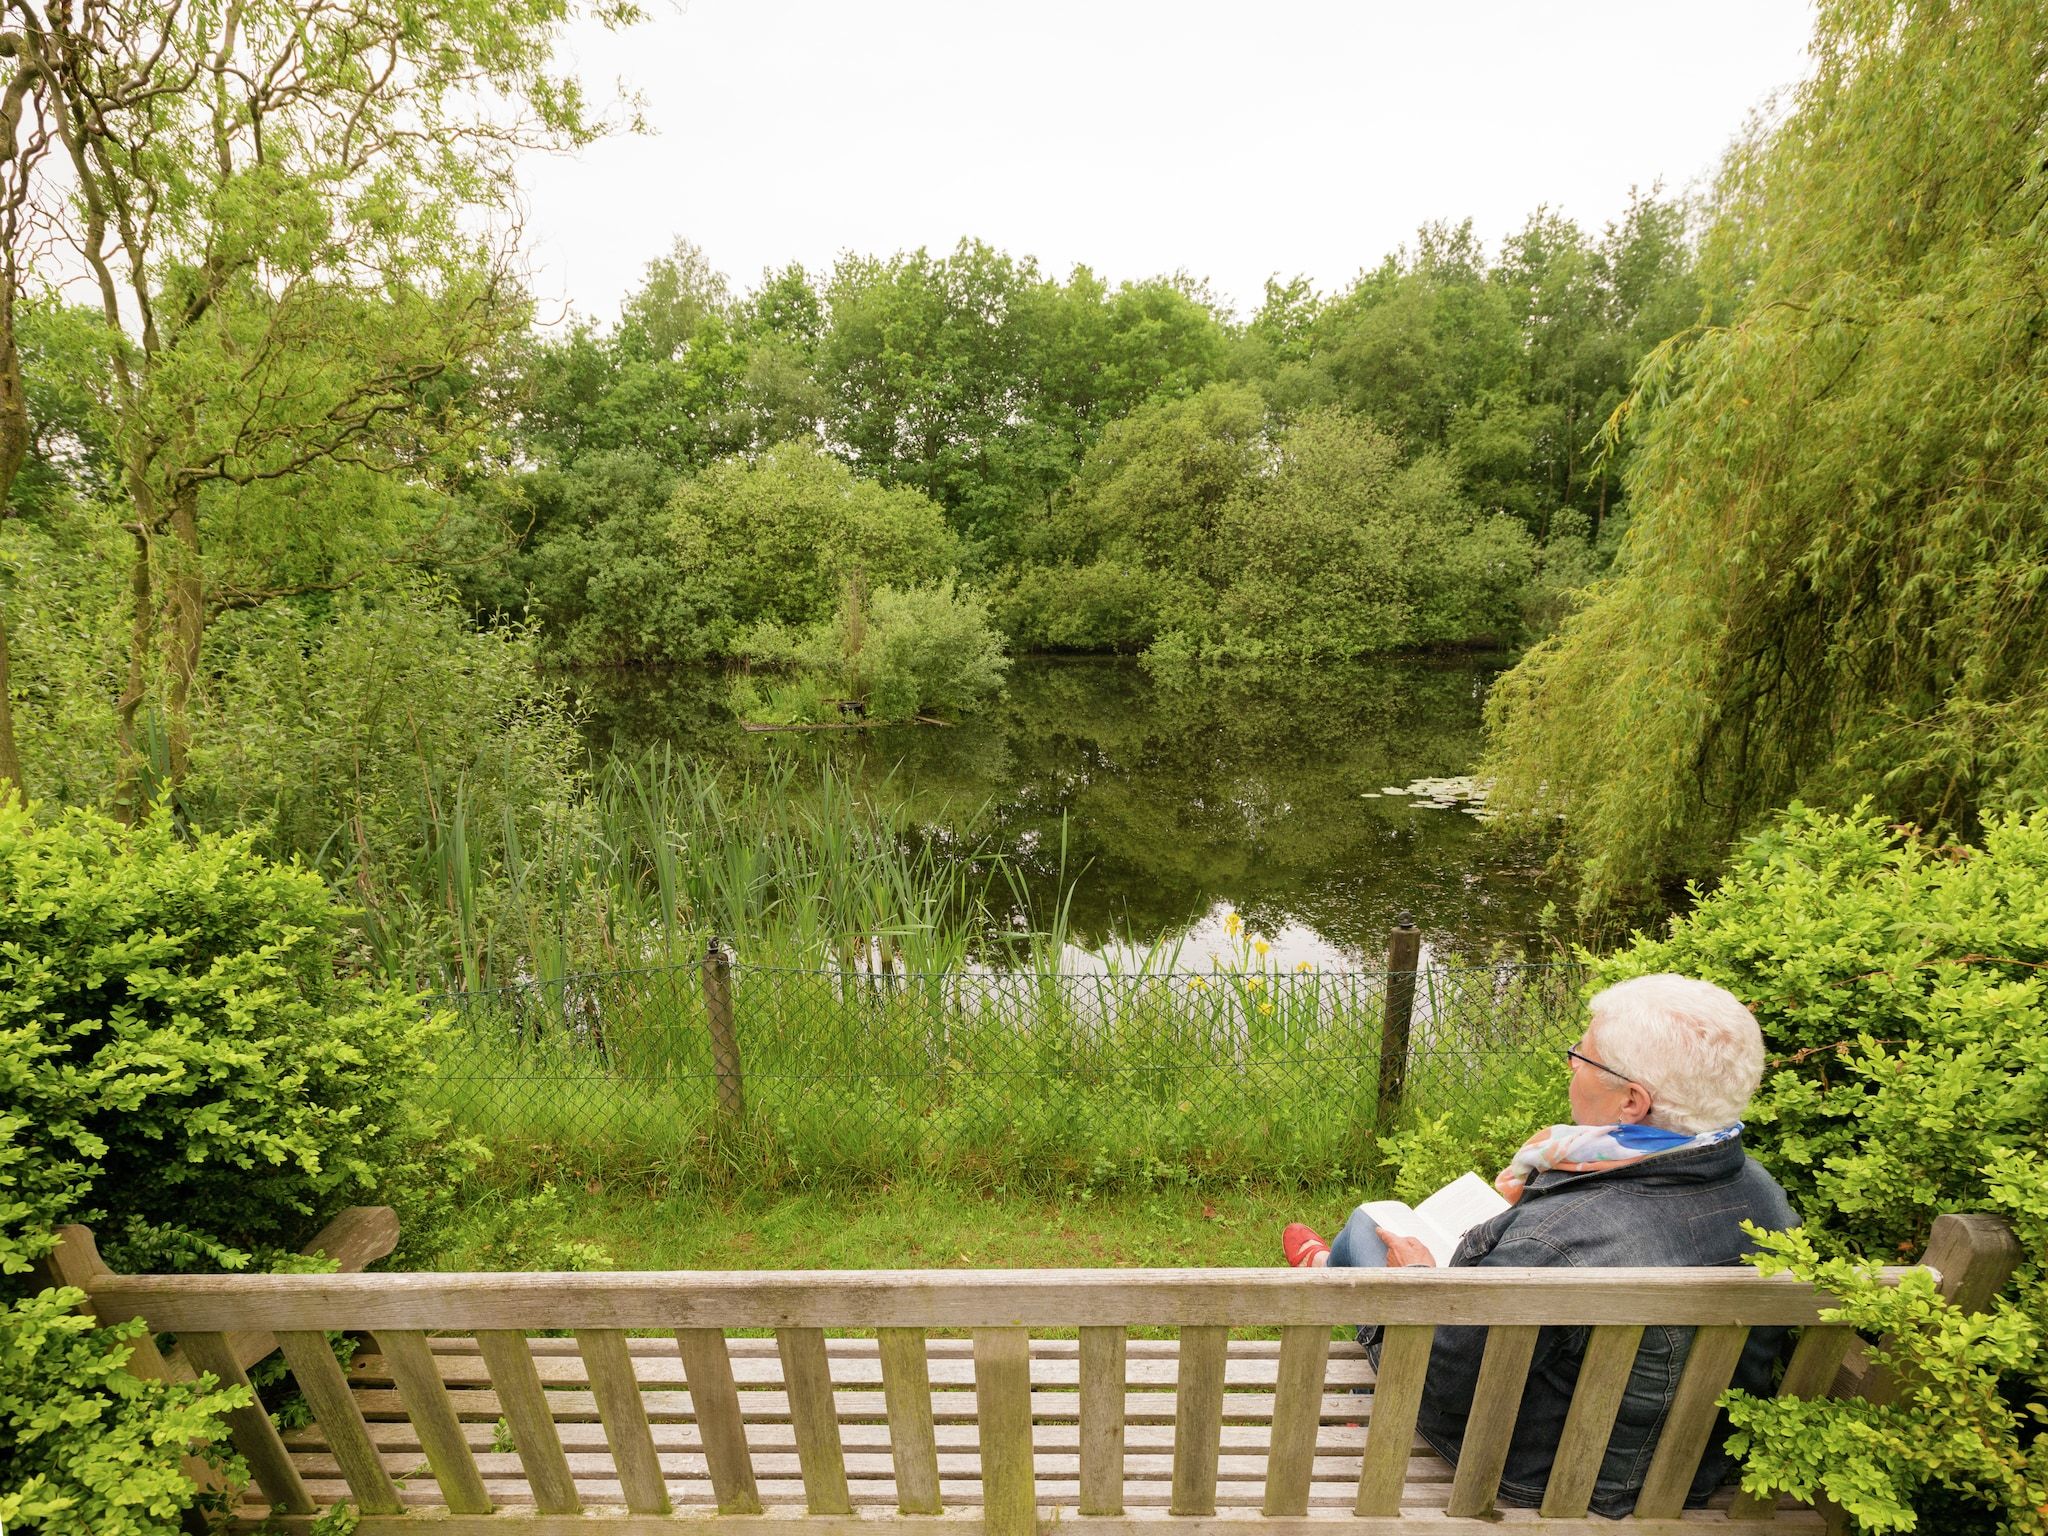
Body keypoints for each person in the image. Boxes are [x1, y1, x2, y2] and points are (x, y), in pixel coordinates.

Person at [1281, 973, 1797, 1518]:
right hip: (1695, 1466)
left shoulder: (1553, 1241)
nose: (1573, 1063)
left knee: (1367, 1230)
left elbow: (1440, 1384)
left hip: (1550, 1472)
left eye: (1585, 1056)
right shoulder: (1767, 1198)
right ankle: (1332, 1277)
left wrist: (1419, 1282)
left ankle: (1325, 1267)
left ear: (1632, 1102)